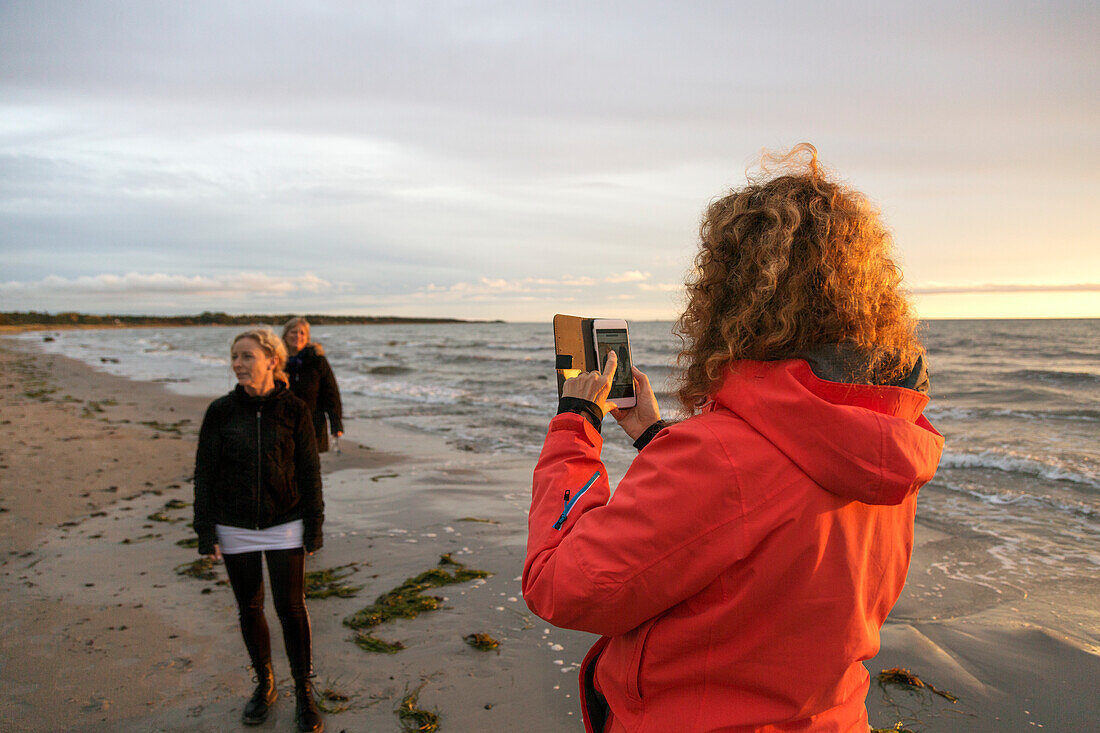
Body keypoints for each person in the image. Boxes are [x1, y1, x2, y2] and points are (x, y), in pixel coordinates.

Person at [523, 144, 945, 732]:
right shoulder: (882, 442)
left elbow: (562, 584)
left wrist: (576, 427)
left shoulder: (721, 457)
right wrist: (654, 437)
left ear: (729, 293)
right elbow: (765, 546)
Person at [193, 328, 325, 732]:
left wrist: (313, 525)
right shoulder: (220, 411)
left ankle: (304, 691)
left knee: (291, 608)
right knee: (249, 607)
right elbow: (204, 473)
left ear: (272, 359)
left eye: (247, 356)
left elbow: (308, 470)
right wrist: (206, 530)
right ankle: (265, 682)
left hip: (286, 521)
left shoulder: (294, 409)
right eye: (234, 357)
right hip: (233, 525)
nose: (238, 364)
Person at [282, 317, 343, 453]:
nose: (298, 336)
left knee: (311, 469)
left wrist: (336, 423)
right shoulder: (277, 360)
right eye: (293, 332)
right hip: (284, 423)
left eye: (302, 333)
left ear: (307, 337)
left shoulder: (317, 359)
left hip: (313, 423)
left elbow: (331, 392)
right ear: (285, 335)